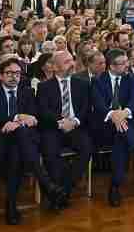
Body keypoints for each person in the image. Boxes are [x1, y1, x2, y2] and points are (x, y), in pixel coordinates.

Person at [0, 58, 67, 223]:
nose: (14, 77)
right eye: (9, 73)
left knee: (18, 145)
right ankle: (47, 184)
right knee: (17, 144)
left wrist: (19, 122)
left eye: (17, 73)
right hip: (1, 139)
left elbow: (34, 117)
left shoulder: (27, 92)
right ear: (0, 76)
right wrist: (17, 117)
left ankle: (11, 205)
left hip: (25, 139)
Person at [36, 50, 93, 202]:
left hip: (76, 127)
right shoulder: (44, 87)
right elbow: (43, 111)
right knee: (49, 151)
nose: (72, 64)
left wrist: (74, 122)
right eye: (67, 62)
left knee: (86, 147)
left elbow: (86, 109)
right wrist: (61, 122)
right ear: (54, 67)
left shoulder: (82, 84)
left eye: (72, 60)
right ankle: (60, 191)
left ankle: (63, 188)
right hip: (54, 128)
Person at [91, 48, 134, 207]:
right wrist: (114, 115)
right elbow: (99, 105)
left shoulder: (132, 79)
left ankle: (115, 185)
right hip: (104, 125)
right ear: (111, 66)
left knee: (120, 137)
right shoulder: (98, 81)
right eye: (122, 64)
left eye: (126, 62)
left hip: (125, 123)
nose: (126, 66)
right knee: (121, 132)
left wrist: (123, 113)